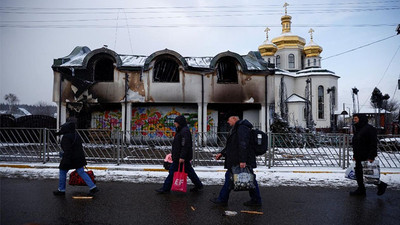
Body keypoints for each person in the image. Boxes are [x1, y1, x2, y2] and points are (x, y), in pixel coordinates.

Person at [210, 116, 262, 206]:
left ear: (234, 119)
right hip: (236, 159)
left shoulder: (242, 128)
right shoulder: (237, 128)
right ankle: (255, 200)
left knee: (248, 178)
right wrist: (222, 153)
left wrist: (242, 160)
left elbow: (243, 144)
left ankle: (222, 200)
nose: (227, 121)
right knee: (246, 178)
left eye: (229, 119)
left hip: (240, 160)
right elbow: (232, 145)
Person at [155, 115, 203, 193]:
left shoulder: (184, 131)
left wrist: (182, 156)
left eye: (176, 122)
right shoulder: (181, 130)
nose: (174, 124)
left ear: (179, 123)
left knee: (172, 172)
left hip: (181, 157)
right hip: (180, 156)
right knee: (189, 171)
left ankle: (165, 188)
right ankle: (198, 185)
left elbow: (185, 145)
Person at [53, 120, 99, 196]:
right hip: (79, 157)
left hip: (70, 158)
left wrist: (65, 160)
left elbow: (67, 150)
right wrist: (58, 134)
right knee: (81, 172)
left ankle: (61, 190)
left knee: (62, 171)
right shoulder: (75, 134)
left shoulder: (66, 137)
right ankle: (93, 187)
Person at [350, 113, 387, 196]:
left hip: (366, 155)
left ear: (361, 119)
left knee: (369, 174)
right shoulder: (358, 128)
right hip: (359, 155)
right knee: (359, 173)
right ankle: (361, 190)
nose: (354, 120)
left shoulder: (370, 129)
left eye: (356, 118)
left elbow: (373, 143)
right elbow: (356, 143)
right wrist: (355, 156)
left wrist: (371, 156)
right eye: (354, 119)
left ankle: (381, 185)